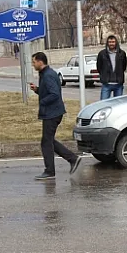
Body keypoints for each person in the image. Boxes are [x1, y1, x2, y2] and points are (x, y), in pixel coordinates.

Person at [29, 52, 81, 180]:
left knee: (46, 142)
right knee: (49, 140)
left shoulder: (48, 75)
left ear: (40, 62)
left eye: (34, 62)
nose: (33, 64)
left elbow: (54, 94)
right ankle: (72, 159)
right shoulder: (46, 74)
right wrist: (37, 90)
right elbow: (48, 90)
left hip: (52, 113)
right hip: (52, 112)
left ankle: (50, 171)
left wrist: (42, 101)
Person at [97, 35, 127, 100]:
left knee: (118, 105)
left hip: (118, 84)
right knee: (103, 104)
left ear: (116, 42)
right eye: (110, 42)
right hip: (106, 84)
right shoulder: (102, 54)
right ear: (107, 43)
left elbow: (124, 66)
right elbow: (99, 67)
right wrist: (104, 76)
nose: (111, 44)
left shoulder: (122, 53)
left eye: (113, 42)